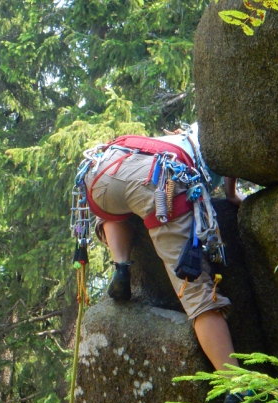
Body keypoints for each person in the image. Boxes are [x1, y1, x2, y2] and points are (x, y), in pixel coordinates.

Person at [83, 124, 245, 387]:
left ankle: (121, 265)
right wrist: (231, 193)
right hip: (161, 177)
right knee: (197, 294)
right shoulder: (214, 132)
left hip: (103, 171)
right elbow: (229, 151)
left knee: (113, 210)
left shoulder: (178, 136)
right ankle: (238, 385)